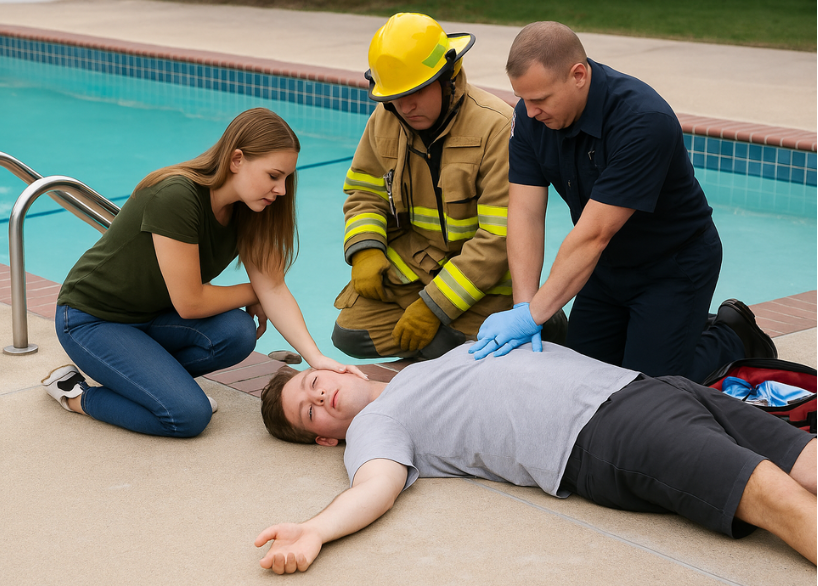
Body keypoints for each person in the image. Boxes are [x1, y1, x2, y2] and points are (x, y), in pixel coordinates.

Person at [255, 343, 816, 573]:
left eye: (310, 383)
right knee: (774, 497)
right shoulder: (376, 428)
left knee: (806, 458)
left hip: (644, 387)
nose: (317, 396)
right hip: (606, 434)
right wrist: (315, 530)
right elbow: (373, 487)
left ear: (335, 369)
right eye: (309, 413)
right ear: (328, 439)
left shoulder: (417, 370)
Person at [469, 22, 776, 382]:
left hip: (672, 268)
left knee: (649, 390)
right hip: (605, 267)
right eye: (523, 98)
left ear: (578, 75)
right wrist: (524, 304)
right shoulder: (529, 117)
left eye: (540, 100)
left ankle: (732, 335)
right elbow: (525, 213)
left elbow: (593, 234)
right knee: (579, 381)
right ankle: (669, 333)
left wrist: (533, 315)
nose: (530, 111)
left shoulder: (643, 121)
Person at [41, 108, 363, 438]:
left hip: (152, 316)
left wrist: (317, 357)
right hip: (92, 319)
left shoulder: (250, 210)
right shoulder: (176, 196)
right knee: (186, 416)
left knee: (238, 332)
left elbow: (274, 288)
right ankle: (75, 395)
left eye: (286, 179)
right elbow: (191, 304)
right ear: (236, 159)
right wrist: (254, 292)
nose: (281, 189)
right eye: (273, 176)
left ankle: (153, 384)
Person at [333, 12, 567, 361]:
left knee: (444, 345)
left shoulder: (496, 127)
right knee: (349, 335)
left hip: (483, 286)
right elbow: (364, 192)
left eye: (417, 90)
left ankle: (547, 324)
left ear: (450, 76)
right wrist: (366, 250)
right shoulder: (385, 119)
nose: (405, 105)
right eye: (395, 95)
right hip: (416, 273)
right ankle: (454, 340)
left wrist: (433, 307)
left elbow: (498, 238)